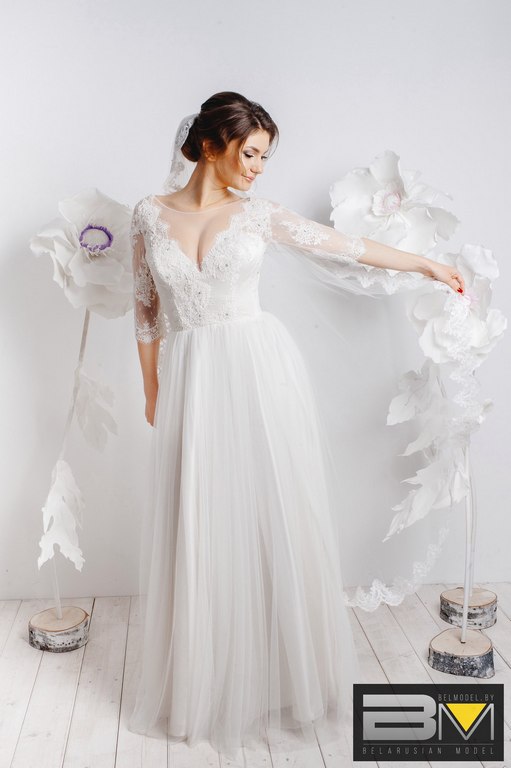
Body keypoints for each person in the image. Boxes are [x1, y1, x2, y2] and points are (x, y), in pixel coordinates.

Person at [127, 91, 465, 755]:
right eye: (250, 153)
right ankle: (205, 682)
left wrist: (426, 263)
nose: (258, 168)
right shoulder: (147, 213)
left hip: (258, 373)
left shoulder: (258, 215)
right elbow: (144, 310)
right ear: (210, 145)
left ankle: (285, 677)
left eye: (264, 157)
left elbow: (349, 248)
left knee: (270, 514)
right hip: (192, 378)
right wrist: (151, 388)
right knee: (202, 519)